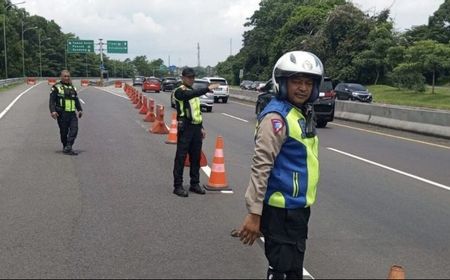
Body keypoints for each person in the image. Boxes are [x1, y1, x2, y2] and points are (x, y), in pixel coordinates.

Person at [238, 51, 324, 279]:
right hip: (282, 211)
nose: (303, 88)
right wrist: (254, 213)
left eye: (308, 82)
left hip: (295, 209)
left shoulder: (298, 113)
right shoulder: (277, 118)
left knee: (292, 268)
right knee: (283, 271)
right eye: (296, 81)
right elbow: (261, 166)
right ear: (282, 82)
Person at [172, 67, 219, 197]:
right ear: (183, 78)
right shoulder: (179, 92)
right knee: (181, 157)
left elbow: (197, 111)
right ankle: (178, 185)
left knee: (195, 157)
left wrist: (201, 127)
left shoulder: (193, 92)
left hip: (196, 128)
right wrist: (207, 88)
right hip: (185, 128)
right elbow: (189, 95)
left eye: (192, 77)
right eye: (188, 77)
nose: (191, 79)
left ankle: (194, 183)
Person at [49, 70, 83, 156]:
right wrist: (53, 111)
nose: (67, 78)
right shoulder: (56, 87)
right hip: (61, 113)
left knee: (74, 130)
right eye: (65, 76)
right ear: (61, 76)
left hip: (72, 113)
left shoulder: (72, 87)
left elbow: (76, 99)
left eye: (68, 76)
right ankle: (65, 146)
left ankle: (69, 146)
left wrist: (79, 109)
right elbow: (52, 101)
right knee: (63, 132)